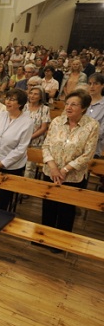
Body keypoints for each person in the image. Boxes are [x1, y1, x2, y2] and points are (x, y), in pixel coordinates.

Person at [41, 90, 99, 245]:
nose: (68, 107)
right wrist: (53, 167)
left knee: (66, 210)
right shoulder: (57, 122)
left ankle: (60, 242)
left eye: (74, 104)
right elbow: (46, 145)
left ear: (84, 108)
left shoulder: (92, 126)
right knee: (49, 206)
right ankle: (44, 238)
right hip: (50, 173)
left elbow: (88, 155)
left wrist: (65, 170)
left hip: (73, 177)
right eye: (67, 103)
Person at [23, 86, 50, 178]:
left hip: (35, 142)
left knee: (30, 168)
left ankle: (26, 189)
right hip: (20, 140)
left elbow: (43, 128)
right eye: (31, 93)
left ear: (41, 97)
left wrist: (29, 137)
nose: (32, 96)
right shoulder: (23, 106)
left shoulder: (45, 109)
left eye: (36, 94)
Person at [87, 73, 104, 157]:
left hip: (93, 150)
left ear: (102, 85)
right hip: (75, 147)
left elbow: (101, 132)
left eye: (95, 83)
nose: (92, 86)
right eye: (90, 83)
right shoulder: (82, 102)